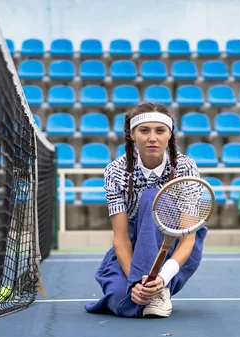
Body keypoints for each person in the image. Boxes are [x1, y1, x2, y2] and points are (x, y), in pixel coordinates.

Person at [84, 102, 208, 318]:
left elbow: (188, 239)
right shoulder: (114, 171)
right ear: (132, 134)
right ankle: (147, 290)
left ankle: (160, 289)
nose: (153, 138)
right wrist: (136, 283)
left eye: (160, 131)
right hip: (135, 244)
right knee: (122, 301)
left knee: (152, 196)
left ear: (169, 134)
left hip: (176, 242)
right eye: (144, 130)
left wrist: (162, 277)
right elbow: (121, 238)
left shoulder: (186, 167)